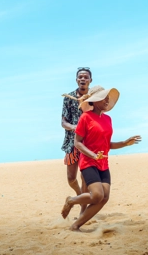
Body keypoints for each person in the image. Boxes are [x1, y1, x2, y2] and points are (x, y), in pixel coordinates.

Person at [61, 85, 142, 231]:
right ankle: (71, 201)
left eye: (107, 98)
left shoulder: (108, 119)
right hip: (89, 162)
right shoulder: (85, 118)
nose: (107, 100)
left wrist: (124, 143)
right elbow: (77, 143)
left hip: (103, 163)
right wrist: (92, 155)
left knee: (104, 198)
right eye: (103, 97)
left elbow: (107, 144)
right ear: (94, 101)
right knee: (97, 195)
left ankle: (75, 225)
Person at [61, 67, 92, 213]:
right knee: (71, 178)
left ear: (90, 80)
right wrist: (74, 127)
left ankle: (83, 210)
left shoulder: (94, 97)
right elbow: (63, 122)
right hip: (71, 142)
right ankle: (80, 196)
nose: (83, 79)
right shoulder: (69, 97)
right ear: (76, 80)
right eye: (80, 77)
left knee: (84, 176)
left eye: (86, 77)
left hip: (88, 143)